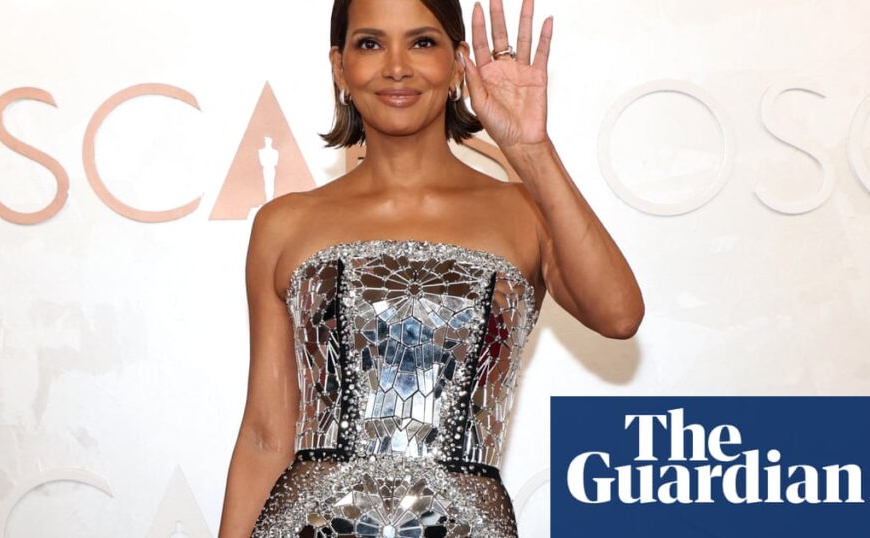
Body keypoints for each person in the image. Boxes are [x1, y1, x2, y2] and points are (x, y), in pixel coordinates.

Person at [219, 0, 644, 535]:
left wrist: (530, 150)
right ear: (339, 67)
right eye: (370, 44)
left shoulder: (524, 212)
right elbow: (264, 436)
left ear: (458, 63)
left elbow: (619, 315)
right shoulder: (284, 224)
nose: (397, 67)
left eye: (422, 42)